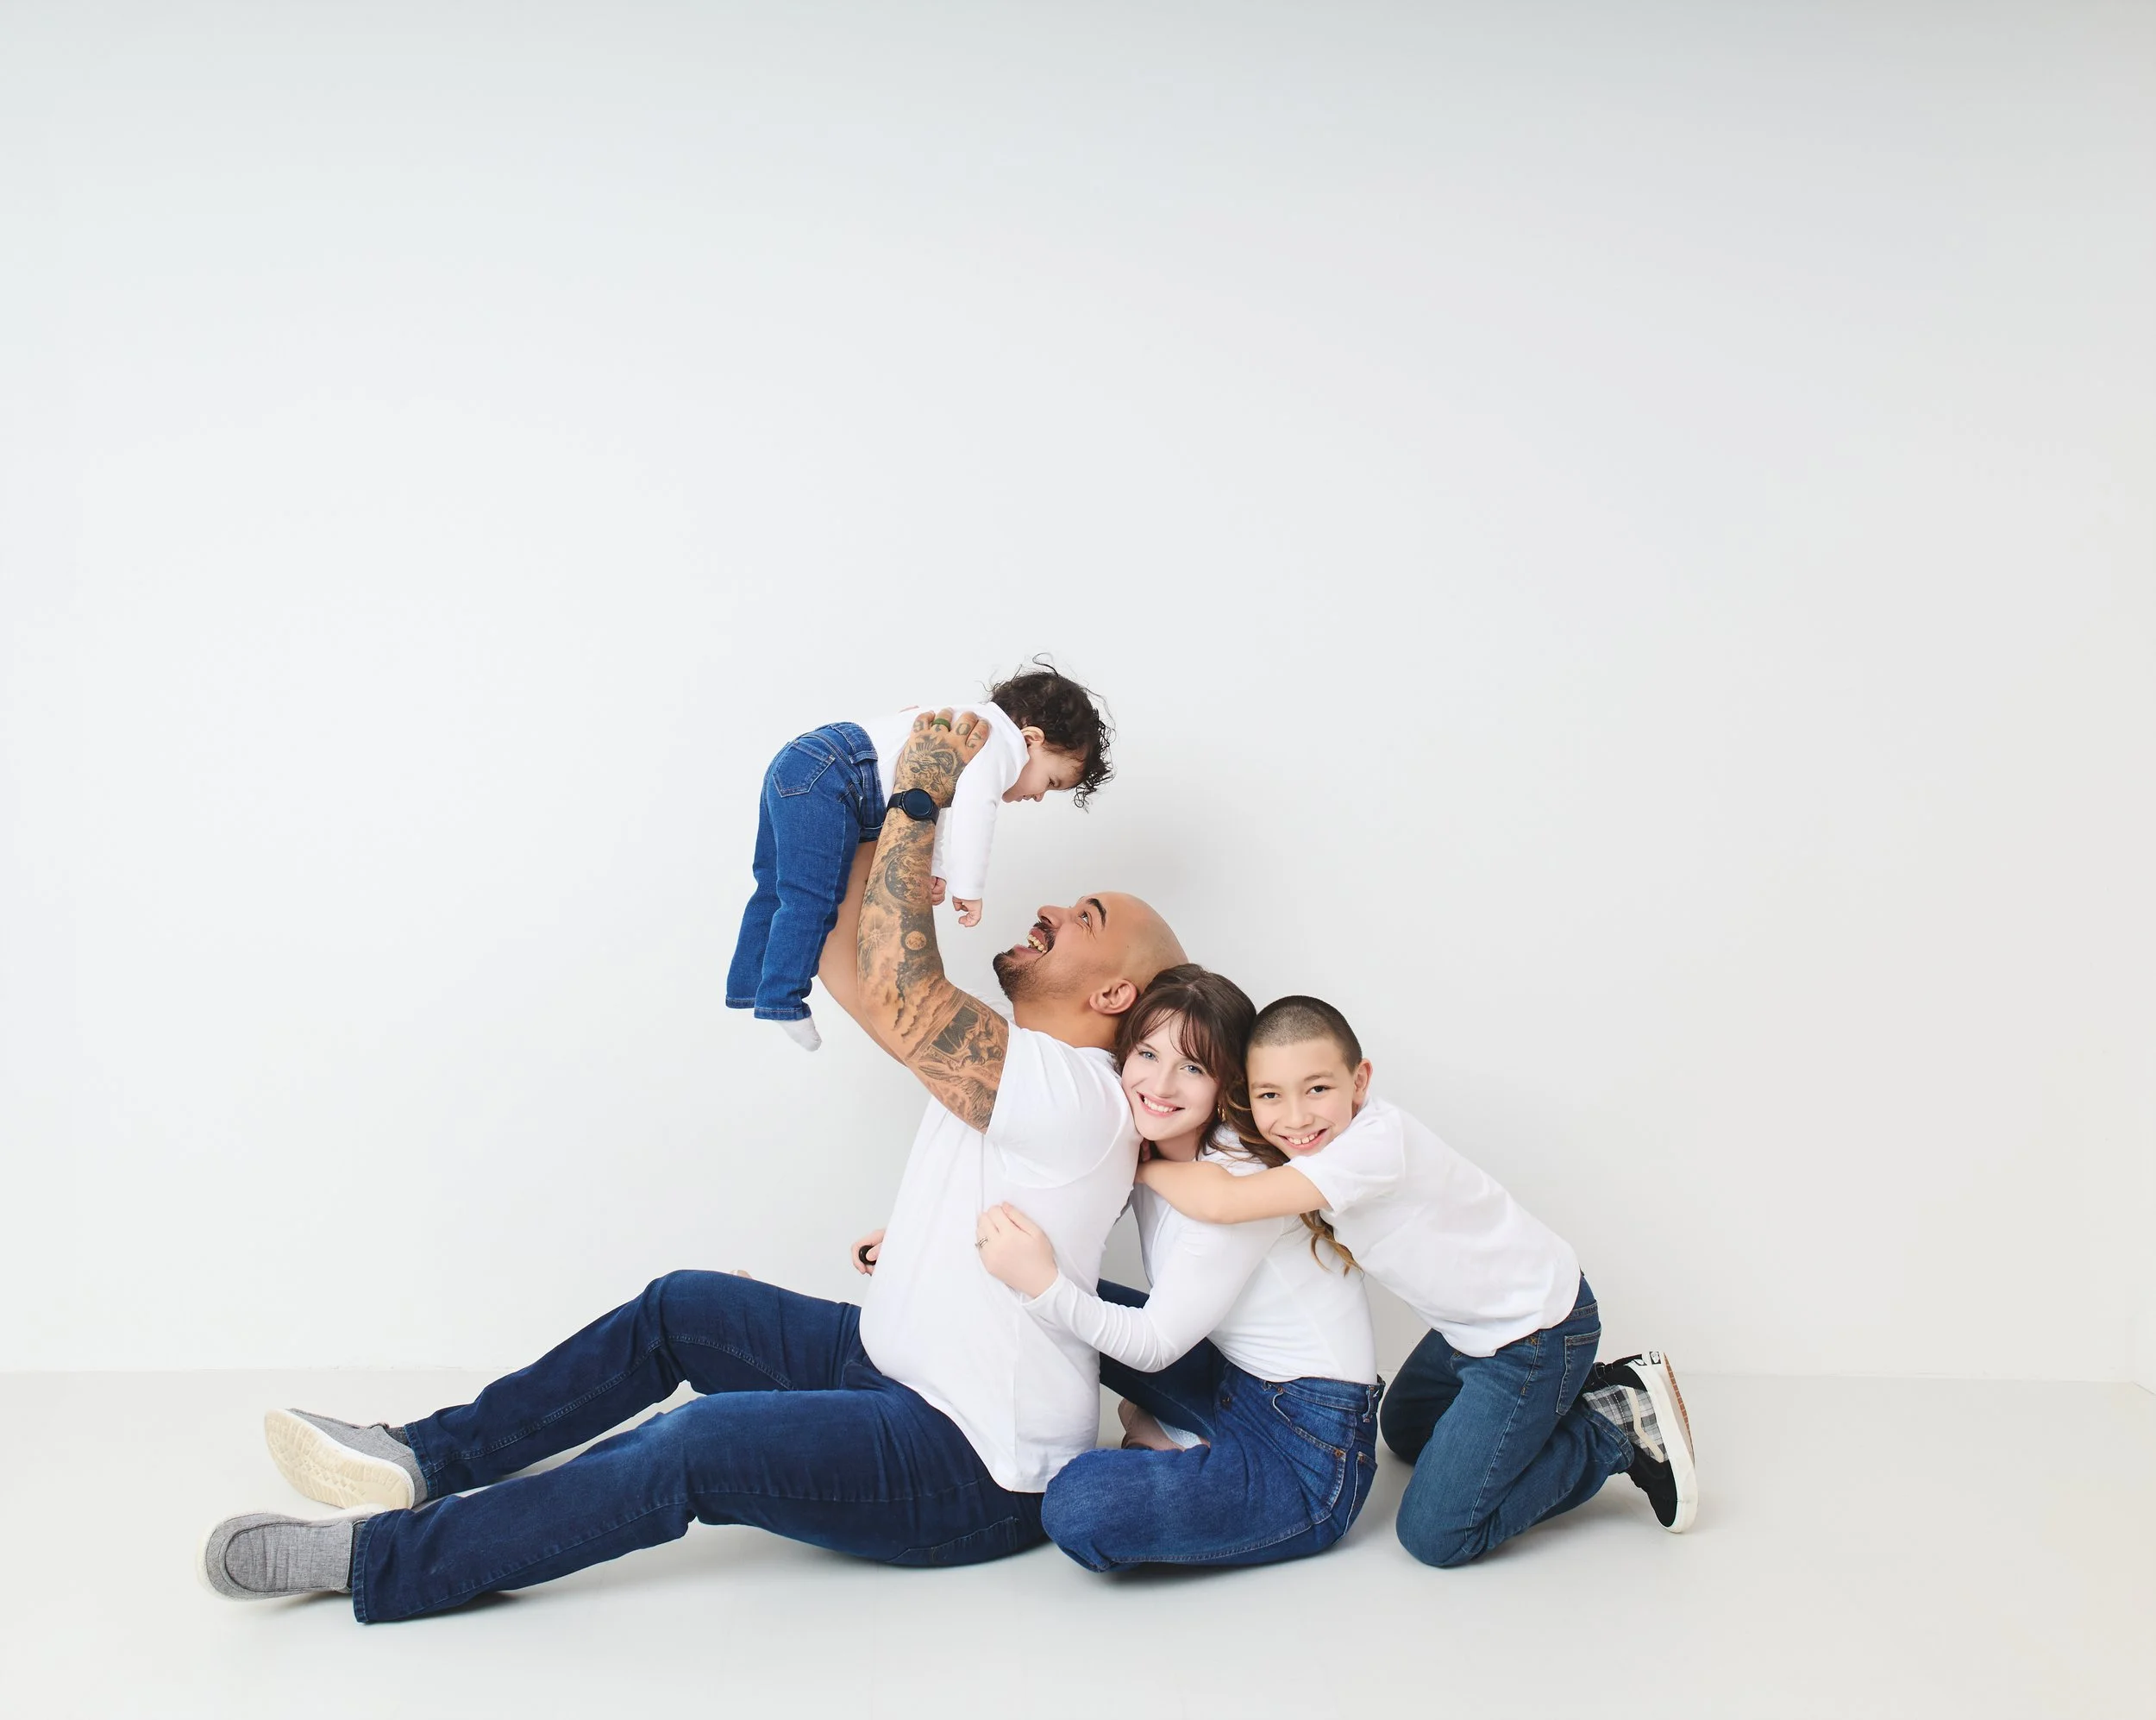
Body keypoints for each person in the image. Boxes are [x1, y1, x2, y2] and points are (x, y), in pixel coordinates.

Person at [199, 708, 1186, 1617]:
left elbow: (906, 989)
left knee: (695, 1447)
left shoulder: (1079, 1093)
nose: (1056, 906)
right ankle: (419, 1454)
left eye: (1087, 916)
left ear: (1113, 994)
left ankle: (384, 1558)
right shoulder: (1025, 1067)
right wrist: (853, 807)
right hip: (887, 1362)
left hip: (969, 1461)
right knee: (682, 1307)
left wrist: (924, 794)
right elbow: (862, 972)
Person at [1135, 994, 1698, 1569]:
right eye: (1270, 1096)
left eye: (1318, 1089)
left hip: (1535, 1332)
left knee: (1436, 1535)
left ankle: (1613, 1422)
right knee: (1404, 1432)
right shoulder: (1314, 1148)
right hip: (1466, 1332)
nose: (1297, 1117)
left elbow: (1225, 1202)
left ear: (1360, 1081)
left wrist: (1142, 1159)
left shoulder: (1372, 1147)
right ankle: (1554, 1407)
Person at [970, 964, 1382, 1572]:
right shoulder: (1149, 1141)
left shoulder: (1238, 1179)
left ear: (1226, 1086)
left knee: (1078, 1505)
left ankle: (1187, 1442)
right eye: (1146, 1053)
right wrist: (949, 1242)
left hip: (1308, 1447)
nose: (1160, 1083)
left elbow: (1154, 1345)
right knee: (1042, 1285)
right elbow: (1046, 1216)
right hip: (1231, 1375)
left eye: (1192, 1068)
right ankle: (1184, 1434)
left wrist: (1041, 1282)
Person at [726, 658, 1112, 1051]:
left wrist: (936, 865)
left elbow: (938, 797)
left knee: (774, 887)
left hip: (803, 760)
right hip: (834, 776)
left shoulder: (970, 726)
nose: (1038, 795)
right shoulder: (998, 741)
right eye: (1049, 780)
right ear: (1030, 738)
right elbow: (975, 811)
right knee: (813, 897)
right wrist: (969, 887)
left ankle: (749, 986)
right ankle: (783, 999)